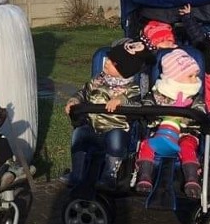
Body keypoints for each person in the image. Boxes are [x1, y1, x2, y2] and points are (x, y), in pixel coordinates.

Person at [64, 40, 155, 189]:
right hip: (92, 125)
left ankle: (109, 175)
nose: (107, 62)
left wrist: (121, 100)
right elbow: (84, 92)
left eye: (113, 62)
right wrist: (74, 100)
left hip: (116, 127)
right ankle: (77, 173)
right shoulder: (98, 80)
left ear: (124, 70)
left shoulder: (131, 89)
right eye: (109, 59)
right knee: (79, 135)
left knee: (116, 140)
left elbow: (138, 105)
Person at [136, 48, 205, 199]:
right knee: (146, 144)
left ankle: (192, 178)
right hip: (159, 133)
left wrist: (184, 118)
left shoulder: (194, 97)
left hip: (185, 134)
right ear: (176, 77)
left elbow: (201, 113)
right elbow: (146, 107)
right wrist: (154, 114)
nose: (196, 80)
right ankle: (145, 176)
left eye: (196, 75)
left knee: (187, 145)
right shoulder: (158, 93)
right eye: (190, 76)